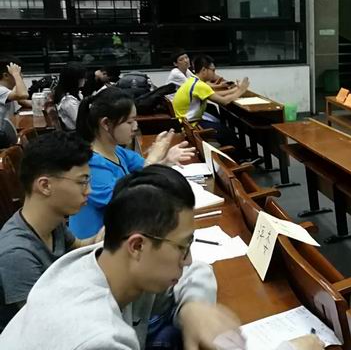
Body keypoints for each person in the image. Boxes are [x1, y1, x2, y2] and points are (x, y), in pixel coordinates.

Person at [0, 165, 246, 349]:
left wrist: (194, 306)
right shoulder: (97, 339)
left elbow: (196, 269)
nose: (188, 259)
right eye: (183, 247)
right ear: (137, 246)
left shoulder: (104, 259)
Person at [0, 131, 104, 330]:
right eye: (82, 182)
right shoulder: (17, 254)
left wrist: (111, 234)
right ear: (45, 185)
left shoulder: (52, 222)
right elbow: (43, 325)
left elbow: (78, 246)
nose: (88, 191)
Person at [69, 87, 195, 239]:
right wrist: (153, 159)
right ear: (106, 124)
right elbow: (128, 201)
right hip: (97, 243)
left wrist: (166, 161)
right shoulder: (90, 164)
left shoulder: (117, 151)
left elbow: (144, 172)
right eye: (130, 122)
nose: (135, 127)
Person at [172, 54, 249, 132]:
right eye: (213, 70)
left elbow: (214, 94)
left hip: (186, 122)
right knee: (227, 132)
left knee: (224, 128)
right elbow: (224, 101)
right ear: (204, 70)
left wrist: (236, 89)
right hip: (190, 125)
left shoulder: (193, 80)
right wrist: (241, 90)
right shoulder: (199, 85)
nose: (214, 74)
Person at [0, 56, 28, 148]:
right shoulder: (1, 90)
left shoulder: (7, 90)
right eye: (20, 73)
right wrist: (16, 75)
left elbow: (22, 101)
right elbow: (23, 94)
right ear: (6, 76)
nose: (22, 76)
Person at [53, 62, 86, 130]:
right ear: (74, 80)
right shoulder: (69, 101)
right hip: (77, 133)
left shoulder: (72, 93)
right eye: (82, 77)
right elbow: (82, 124)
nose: (85, 79)